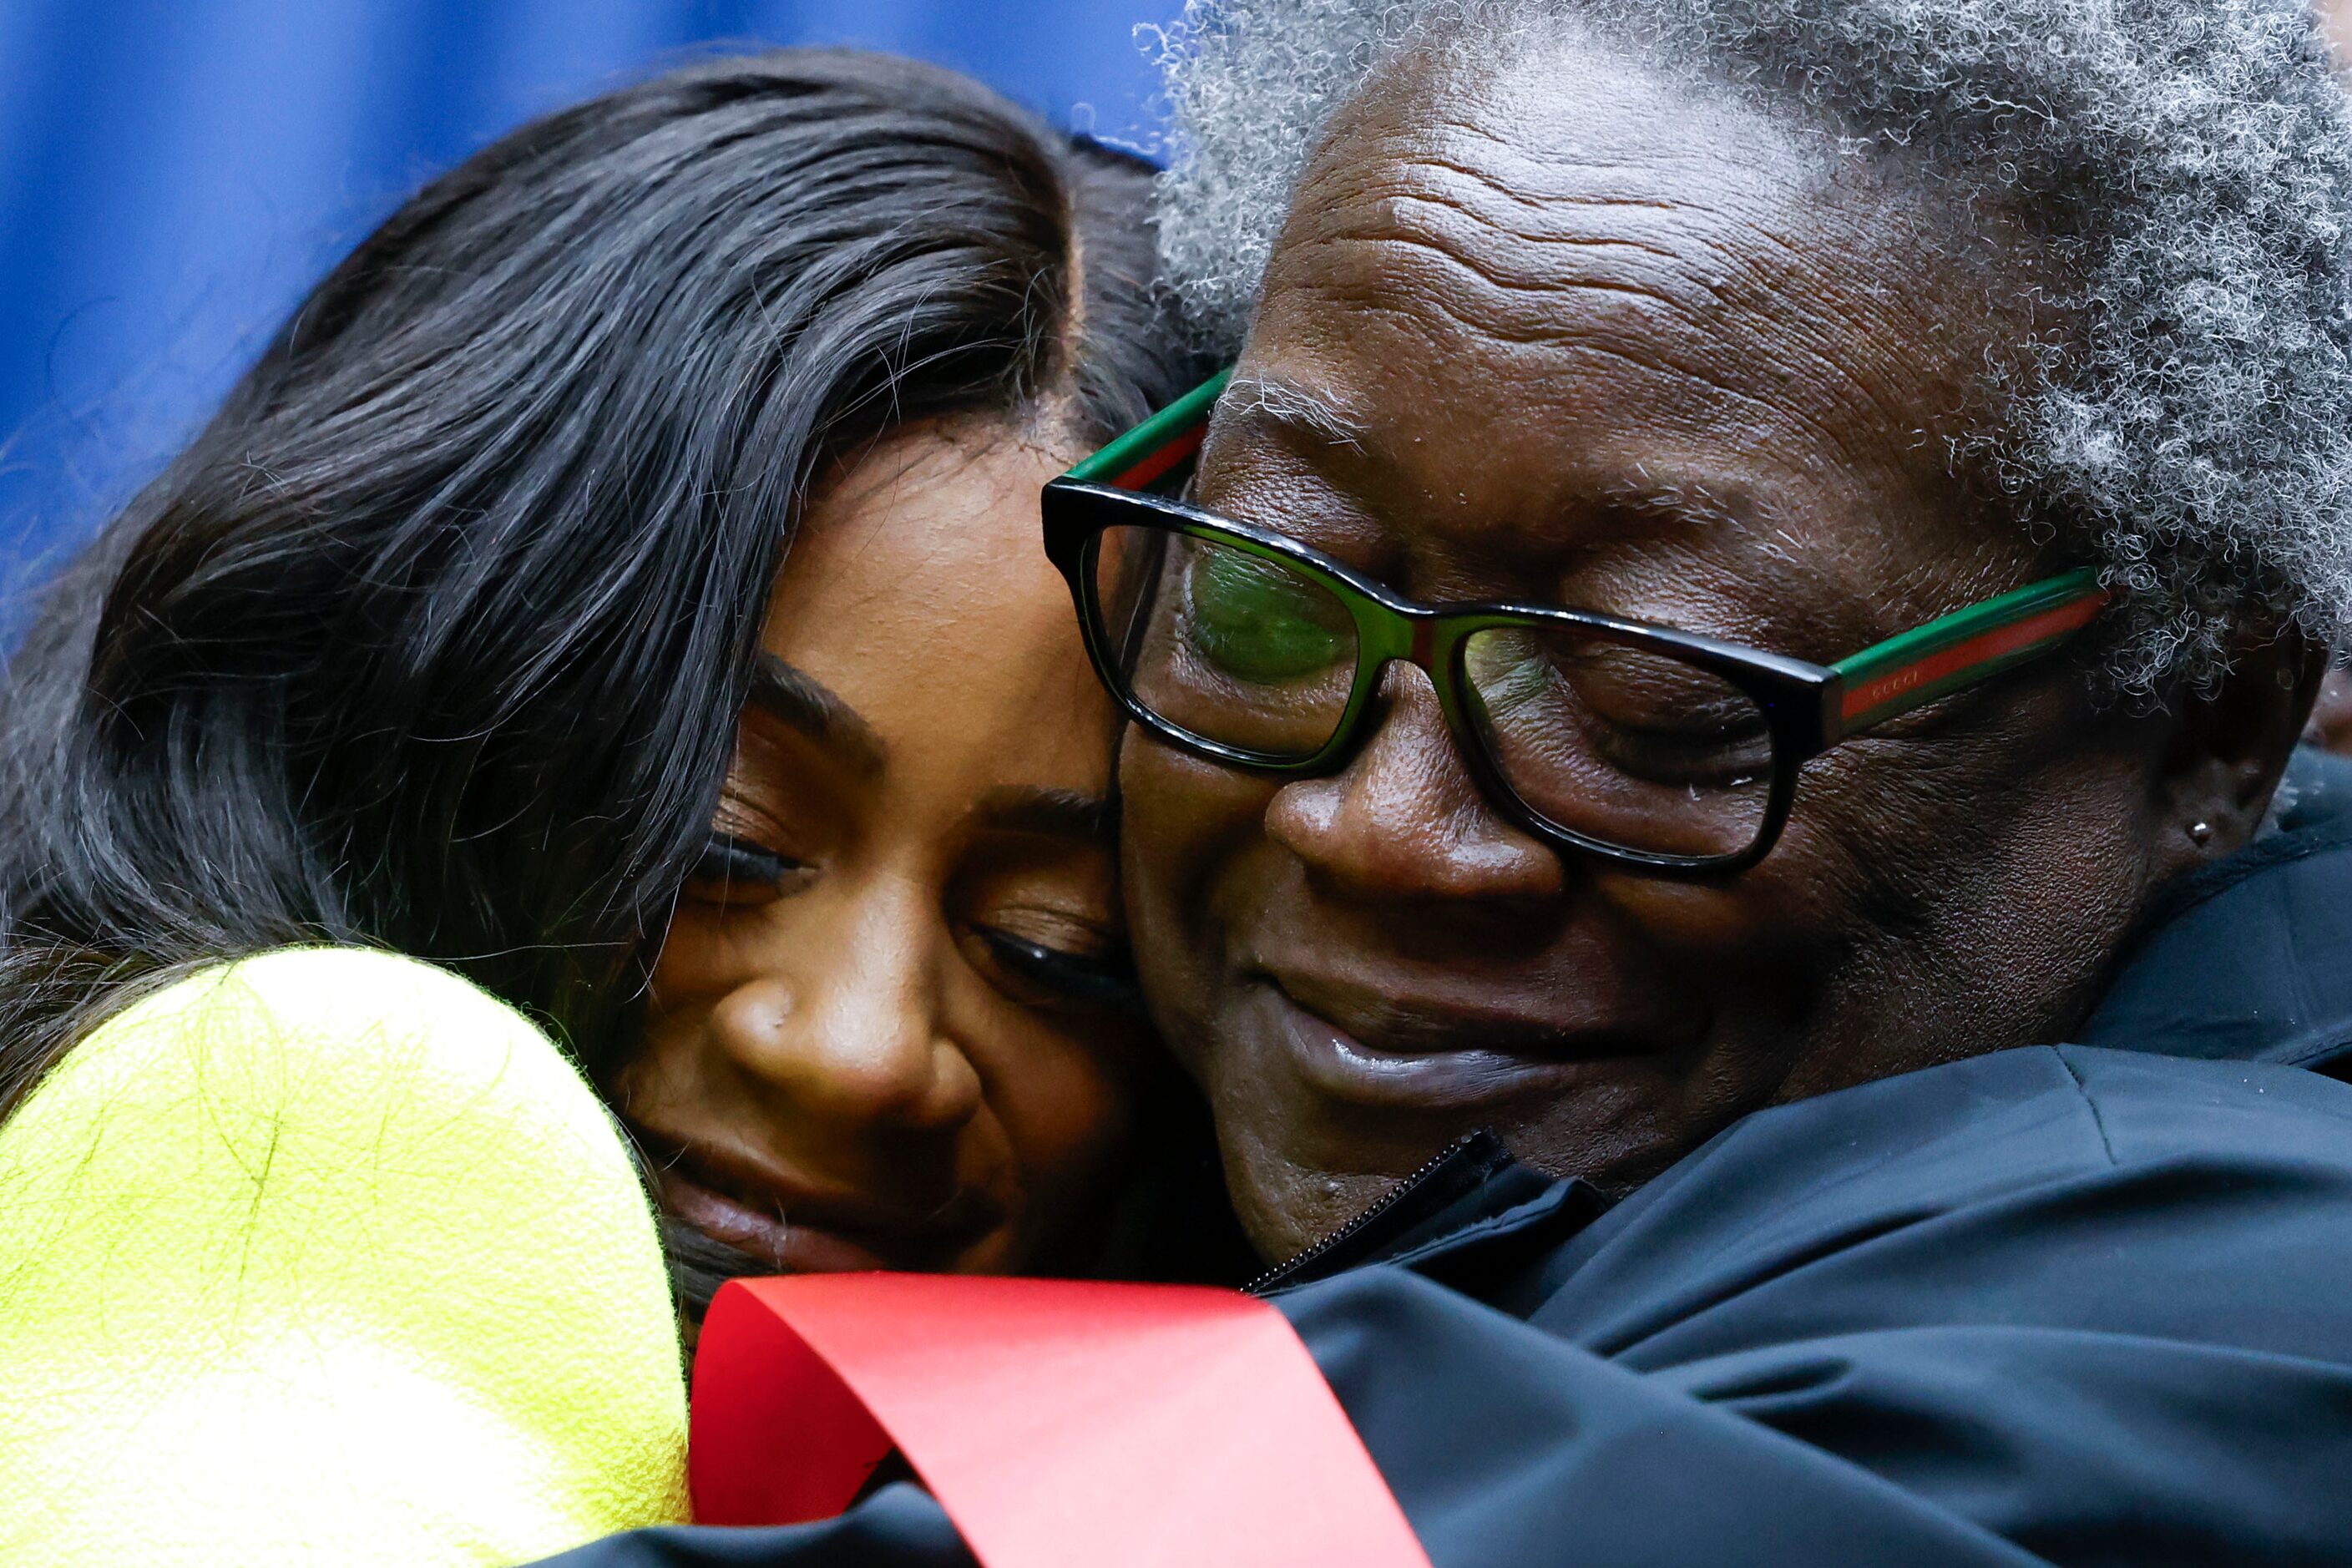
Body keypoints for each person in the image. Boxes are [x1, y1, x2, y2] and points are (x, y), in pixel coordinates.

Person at [554, 0, 2352, 1563]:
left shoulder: (2218, 1315)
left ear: (2206, 717)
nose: (1374, 828)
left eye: (1651, 703)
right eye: (1269, 598)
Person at [0, 48, 1211, 1565]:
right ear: (374, 707)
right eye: (730, 842)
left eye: (1057, 944)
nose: (854, 1049)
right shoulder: (288, 1102)